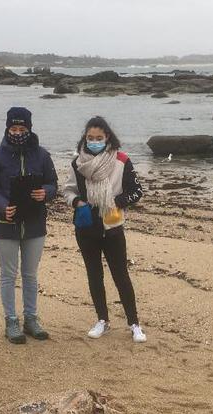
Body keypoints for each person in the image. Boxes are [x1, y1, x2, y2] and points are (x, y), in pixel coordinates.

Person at [62, 116, 146, 343]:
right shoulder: (78, 162)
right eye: (90, 138)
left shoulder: (121, 160)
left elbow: (137, 191)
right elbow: (68, 191)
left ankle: (134, 323)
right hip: (86, 226)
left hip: (113, 227)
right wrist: (77, 202)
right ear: (85, 138)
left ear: (107, 137)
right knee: (94, 274)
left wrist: (116, 202)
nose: (94, 141)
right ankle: (102, 320)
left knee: (121, 275)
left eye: (99, 138)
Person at [0, 107, 58, 344]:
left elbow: (52, 183)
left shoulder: (42, 155)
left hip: (34, 223)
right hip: (5, 224)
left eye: (22, 128)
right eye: (13, 128)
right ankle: (11, 320)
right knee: (8, 274)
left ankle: (31, 318)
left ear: (29, 129)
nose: (17, 132)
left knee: (30, 274)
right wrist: (2, 206)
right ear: (7, 128)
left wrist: (46, 192)